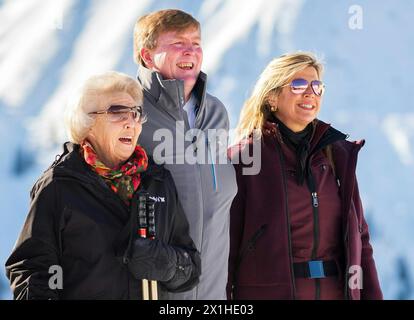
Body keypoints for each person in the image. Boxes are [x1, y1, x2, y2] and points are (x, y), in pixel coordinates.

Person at [5, 71, 200, 300]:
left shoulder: (157, 181)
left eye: (136, 113)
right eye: (117, 112)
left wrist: (164, 263)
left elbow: (191, 269)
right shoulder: (58, 186)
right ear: (86, 123)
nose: (131, 122)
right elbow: (29, 269)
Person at [227, 52, 382, 300]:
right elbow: (226, 247)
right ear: (272, 98)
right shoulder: (245, 158)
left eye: (317, 86)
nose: (310, 93)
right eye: (298, 85)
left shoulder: (338, 156)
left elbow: (360, 240)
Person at [133, 9, 237, 299]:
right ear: (147, 56)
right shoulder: (129, 111)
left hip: (212, 292)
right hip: (153, 291)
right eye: (178, 43)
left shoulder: (216, 113)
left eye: (196, 42)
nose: (190, 50)